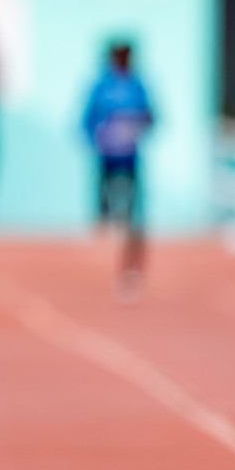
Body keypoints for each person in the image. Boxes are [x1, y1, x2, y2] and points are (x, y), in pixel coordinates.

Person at [82, 41, 154, 303]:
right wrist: (97, 138)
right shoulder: (102, 85)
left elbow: (151, 116)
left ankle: (131, 265)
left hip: (130, 157)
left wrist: (137, 126)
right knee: (105, 200)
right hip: (107, 156)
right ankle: (104, 216)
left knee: (135, 212)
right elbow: (87, 119)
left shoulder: (138, 86)